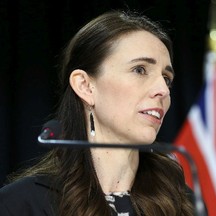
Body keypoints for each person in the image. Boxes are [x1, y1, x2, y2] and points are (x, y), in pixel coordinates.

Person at [0, 9, 198, 216]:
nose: (163, 90)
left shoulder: (181, 201)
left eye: (166, 78)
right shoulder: (21, 204)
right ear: (85, 86)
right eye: (140, 70)